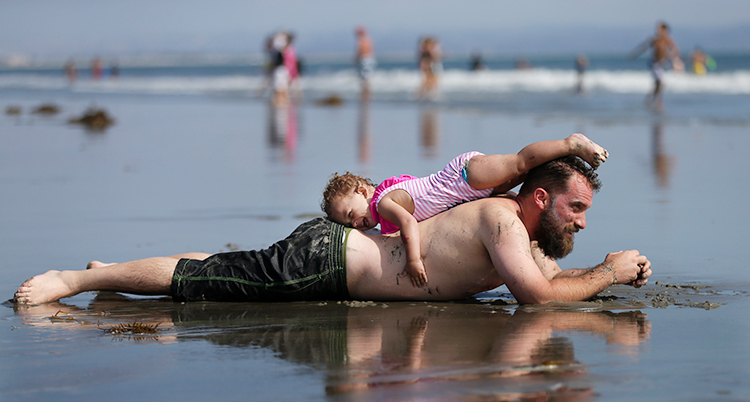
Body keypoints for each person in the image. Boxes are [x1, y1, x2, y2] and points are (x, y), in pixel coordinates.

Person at [14, 156, 651, 307]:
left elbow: (546, 277)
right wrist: (610, 273)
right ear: (541, 197)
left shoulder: (522, 233)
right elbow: (538, 297)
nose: (584, 221)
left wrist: (604, 275)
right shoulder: (501, 218)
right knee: (197, 278)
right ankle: (77, 278)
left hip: (337, 259)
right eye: (577, 208)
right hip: (324, 259)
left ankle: (105, 274)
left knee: (208, 268)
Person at [322, 133, 608, 287]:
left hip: (464, 177)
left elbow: (410, 225)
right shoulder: (384, 199)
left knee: (521, 164)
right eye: (348, 225)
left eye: (351, 215)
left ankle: (571, 144)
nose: (356, 224)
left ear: (362, 191)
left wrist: (413, 260)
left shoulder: (384, 204)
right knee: (527, 179)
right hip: (466, 191)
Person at [630, 22, 680, 111]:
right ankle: (656, 101)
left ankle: (652, 99)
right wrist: (635, 54)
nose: (658, 31)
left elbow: (675, 50)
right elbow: (643, 46)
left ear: (665, 30)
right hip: (654, 63)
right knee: (659, 82)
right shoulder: (655, 40)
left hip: (662, 64)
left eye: (660, 29)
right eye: (657, 29)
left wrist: (673, 58)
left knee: (658, 83)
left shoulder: (667, 40)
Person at [354, 26, 376, 99]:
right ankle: (367, 94)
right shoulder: (369, 40)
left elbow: (360, 51)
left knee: (364, 78)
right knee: (367, 78)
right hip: (370, 59)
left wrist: (356, 59)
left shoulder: (362, 41)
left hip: (364, 60)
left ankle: (365, 94)